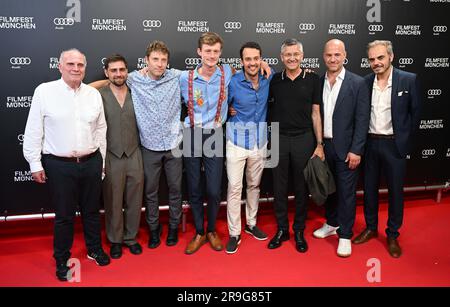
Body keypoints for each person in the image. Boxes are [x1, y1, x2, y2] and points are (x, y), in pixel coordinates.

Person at [23, 48, 110, 282]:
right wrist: (34, 163)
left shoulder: (93, 94)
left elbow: (101, 129)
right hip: (59, 165)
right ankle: (61, 259)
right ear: (59, 66)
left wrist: (101, 161)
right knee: (64, 216)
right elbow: (33, 130)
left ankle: (94, 249)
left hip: (91, 161)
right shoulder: (44, 92)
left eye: (80, 65)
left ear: (85, 67)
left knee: (92, 212)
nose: (75, 68)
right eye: (70, 64)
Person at [90, 41, 183, 249]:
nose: (159, 64)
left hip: (174, 144)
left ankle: (173, 228)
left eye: (163, 60)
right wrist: (80, 88)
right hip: (148, 147)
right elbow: (108, 82)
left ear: (167, 62)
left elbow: (209, 71)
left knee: (176, 189)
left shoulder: (177, 76)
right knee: (150, 192)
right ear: (146, 61)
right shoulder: (133, 79)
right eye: (155, 59)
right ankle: (153, 230)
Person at [352, 40, 421, 258]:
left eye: (380, 57)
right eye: (372, 59)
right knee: (370, 190)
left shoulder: (408, 80)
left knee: (395, 193)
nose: (376, 63)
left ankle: (392, 234)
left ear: (391, 56)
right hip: (370, 144)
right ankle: (371, 228)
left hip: (394, 145)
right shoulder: (365, 82)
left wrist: (404, 143)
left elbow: (415, 115)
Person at [312, 39, 370, 257]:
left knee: (346, 193)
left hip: (347, 149)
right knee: (329, 190)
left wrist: (357, 150)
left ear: (344, 55)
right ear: (323, 56)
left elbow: (362, 119)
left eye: (337, 55)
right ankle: (332, 223)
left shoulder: (357, 83)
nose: (332, 59)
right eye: (328, 55)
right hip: (324, 146)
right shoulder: (318, 81)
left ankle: (345, 235)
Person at [267, 38, 324, 253]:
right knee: (279, 188)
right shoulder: (274, 81)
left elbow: (316, 113)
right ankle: (282, 229)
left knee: (302, 188)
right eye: (287, 55)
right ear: (282, 57)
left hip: (304, 138)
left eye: (295, 54)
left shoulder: (312, 79)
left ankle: (299, 230)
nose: (292, 58)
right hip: (279, 139)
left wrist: (319, 144)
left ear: (302, 56)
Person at [180, 32, 233, 255]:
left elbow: (252, 71)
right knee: (193, 187)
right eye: (207, 51)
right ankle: (200, 232)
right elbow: (156, 75)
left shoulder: (227, 72)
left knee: (213, 189)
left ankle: (211, 230)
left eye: (215, 51)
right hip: (192, 133)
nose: (211, 55)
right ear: (199, 52)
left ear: (220, 53)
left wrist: (264, 66)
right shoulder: (185, 77)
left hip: (215, 134)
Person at [225, 42, 272, 254]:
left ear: (261, 59)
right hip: (236, 141)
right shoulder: (232, 82)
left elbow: (292, 72)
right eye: (248, 59)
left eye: (256, 58)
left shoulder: (269, 77)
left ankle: (251, 224)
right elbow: (220, 107)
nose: (252, 63)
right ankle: (234, 233)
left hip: (259, 142)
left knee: (254, 186)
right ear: (242, 61)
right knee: (235, 189)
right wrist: (229, 111)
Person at [98, 54, 144, 259]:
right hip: (111, 154)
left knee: (134, 199)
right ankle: (115, 240)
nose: (118, 74)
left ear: (128, 71)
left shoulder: (138, 91)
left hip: (135, 152)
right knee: (113, 200)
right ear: (107, 72)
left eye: (122, 70)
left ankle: (131, 238)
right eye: (113, 70)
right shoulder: (98, 94)